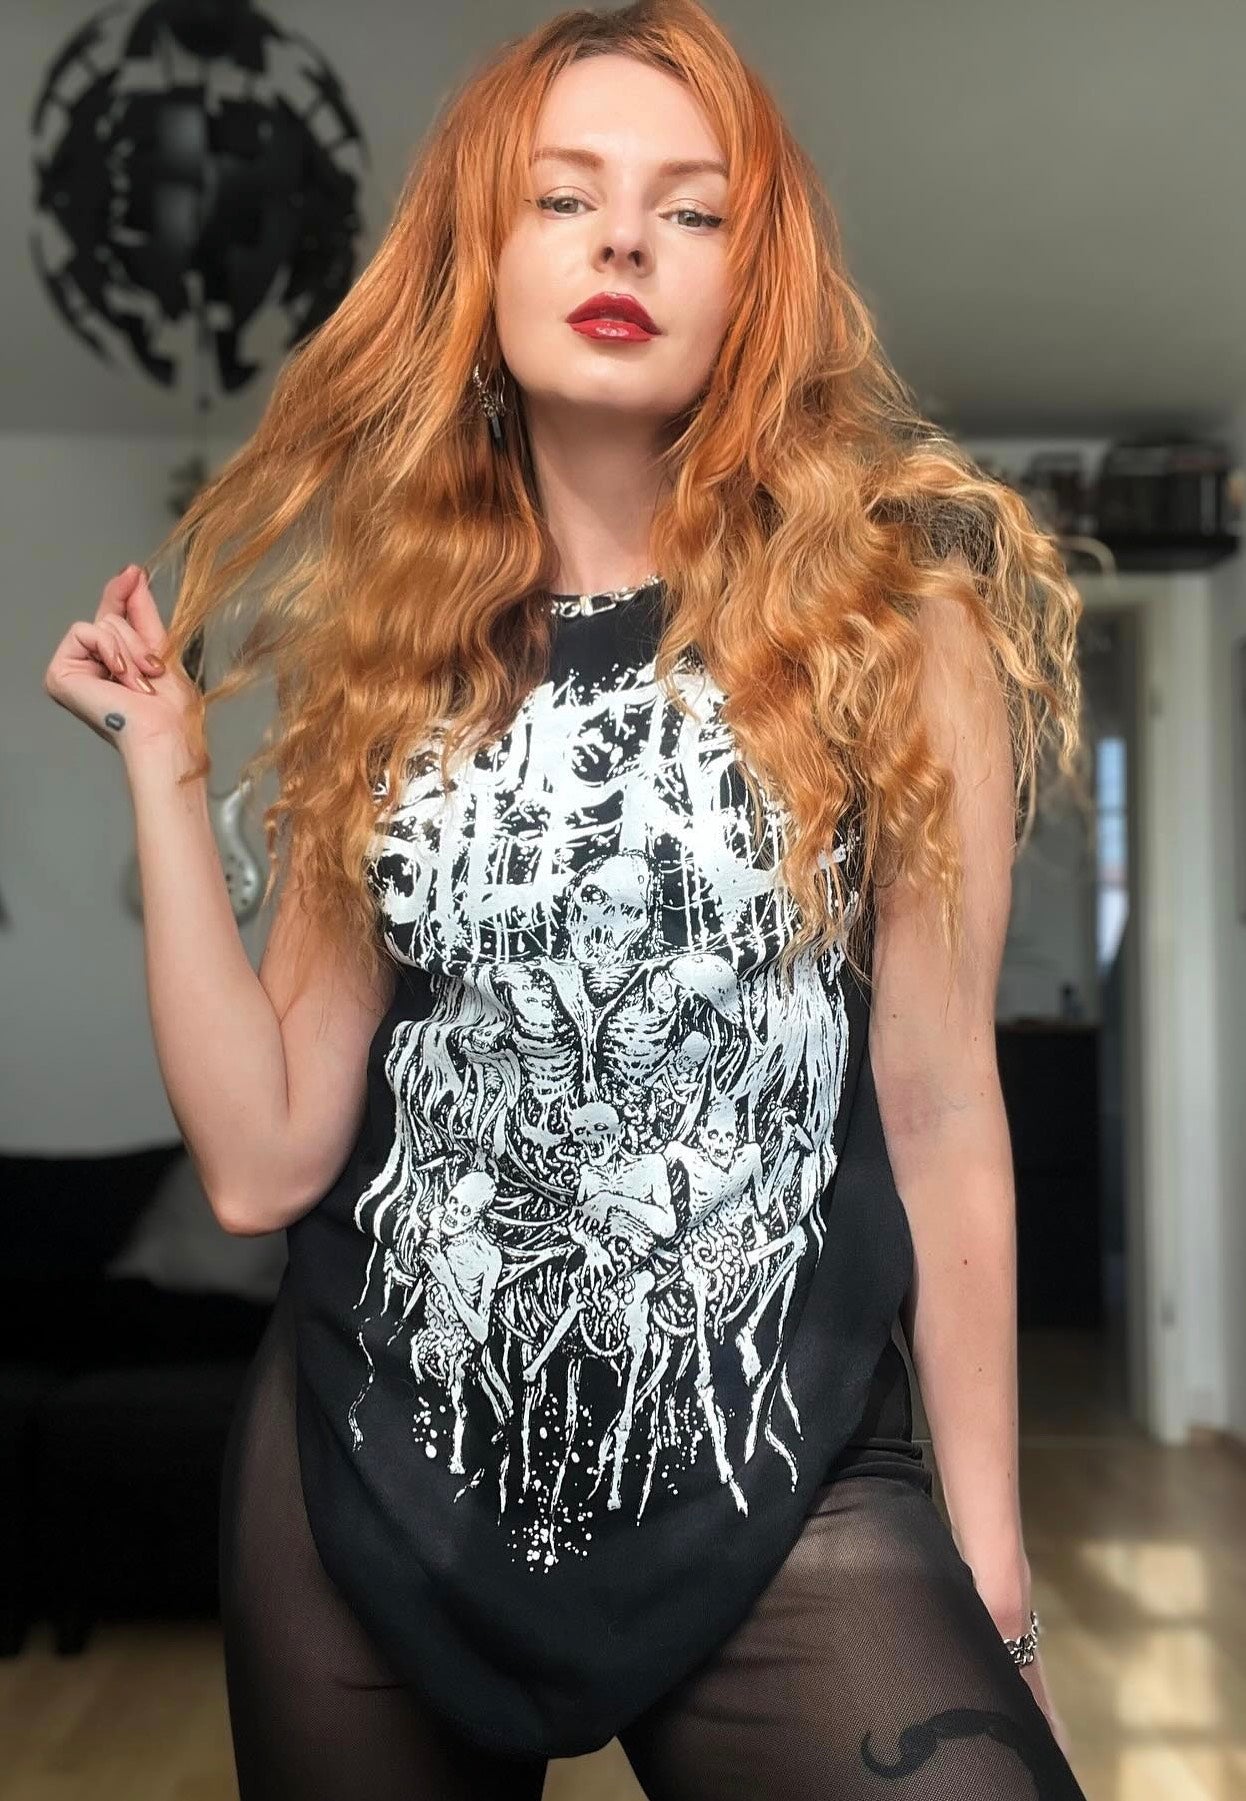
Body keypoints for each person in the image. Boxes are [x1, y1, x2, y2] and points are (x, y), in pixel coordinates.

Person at [42, 2, 1092, 1794]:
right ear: (483, 257)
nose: (622, 242)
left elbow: (935, 1111)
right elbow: (262, 1163)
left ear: (754, 281)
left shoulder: (897, 630)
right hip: (377, 1465)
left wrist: (989, 1565)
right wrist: (162, 769)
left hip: (772, 1448)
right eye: (563, 197)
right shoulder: (387, 653)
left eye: (689, 209)